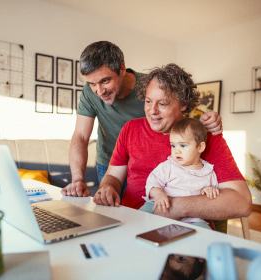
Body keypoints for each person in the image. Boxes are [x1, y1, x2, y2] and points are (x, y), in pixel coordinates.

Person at [93, 64, 252, 225]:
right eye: (148, 101)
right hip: (131, 223)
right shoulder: (131, 129)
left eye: (162, 103)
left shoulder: (205, 137)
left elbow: (242, 203)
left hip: (186, 226)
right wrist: (108, 187)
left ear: (183, 104)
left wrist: (176, 207)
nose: (152, 111)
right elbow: (113, 176)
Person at [61, 41, 223, 197]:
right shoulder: (90, 92)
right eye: (92, 83)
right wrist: (77, 180)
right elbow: (81, 136)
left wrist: (208, 121)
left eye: (105, 81)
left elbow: (178, 118)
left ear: (122, 69)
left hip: (143, 161)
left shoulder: (150, 87)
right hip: (110, 162)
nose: (99, 90)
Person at [140, 118, 219, 230]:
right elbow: (152, 182)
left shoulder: (208, 171)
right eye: (173, 145)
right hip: (160, 205)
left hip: (192, 217)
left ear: (200, 147)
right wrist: (158, 194)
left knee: (206, 232)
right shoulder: (168, 166)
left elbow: (214, 195)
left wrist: (209, 190)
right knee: (138, 219)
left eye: (182, 146)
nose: (176, 151)